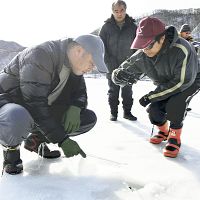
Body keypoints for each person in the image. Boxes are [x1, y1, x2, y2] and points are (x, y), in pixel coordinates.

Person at [0, 34, 108, 175]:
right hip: (9, 105)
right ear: (79, 51)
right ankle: (11, 153)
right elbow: (35, 105)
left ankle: (36, 141)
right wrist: (62, 140)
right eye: (92, 62)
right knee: (16, 116)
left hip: (37, 108)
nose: (91, 68)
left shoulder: (75, 68)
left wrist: (76, 107)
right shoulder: (40, 55)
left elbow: (81, 94)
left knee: (87, 118)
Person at [112, 17, 200, 158]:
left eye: (148, 45)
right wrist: (117, 76)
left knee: (175, 105)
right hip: (166, 82)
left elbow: (181, 82)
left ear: (162, 38)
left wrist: (151, 96)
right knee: (154, 110)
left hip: (190, 80)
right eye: (141, 46)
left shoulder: (181, 49)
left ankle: (174, 137)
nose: (145, 50)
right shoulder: (144, 53)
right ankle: (164, 131)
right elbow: (125, 67)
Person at [99, 0, 137, 121]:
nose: (119, 13)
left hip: (128, 66)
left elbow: (137, 47)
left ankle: (127, 112)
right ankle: (113, 113)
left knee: (128, 91)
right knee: (113, 91)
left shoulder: (133, 27)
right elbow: (101, 47)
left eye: (122, 10)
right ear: (112, 11)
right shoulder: (106, 27)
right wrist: (109, 63)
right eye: (116, 11)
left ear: (125, 10)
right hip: (111, 66)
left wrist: (133, 64)